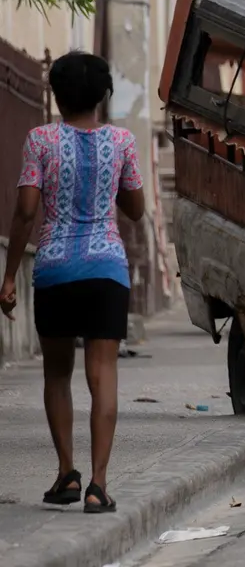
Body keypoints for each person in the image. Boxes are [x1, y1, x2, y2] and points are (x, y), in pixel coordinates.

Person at [1, 52, 145, 513]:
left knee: (57, 373)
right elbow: (137, 209)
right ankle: (98, 486)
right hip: (106, 269)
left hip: (56, 269)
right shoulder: (122, 141)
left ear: (56, 96)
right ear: (104, 95)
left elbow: (26, 210)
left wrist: (8, 278)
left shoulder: (39, 140)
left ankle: (66, 473)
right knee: (101, 377)